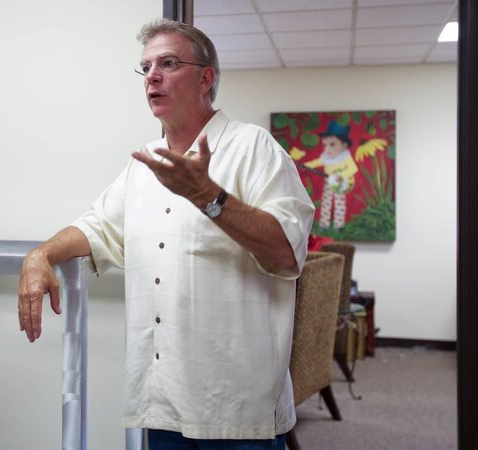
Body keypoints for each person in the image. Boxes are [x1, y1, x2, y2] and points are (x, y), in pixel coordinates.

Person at [18, 18, 314, 449]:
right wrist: (40, 255)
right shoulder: (146, 163)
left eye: (169, 63)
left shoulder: (254, 148)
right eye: (146, 67)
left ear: (206, 78)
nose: (152, 76)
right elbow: (97, 226)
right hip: (163, 400)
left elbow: (288, 252)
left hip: (235, 409)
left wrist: (210, 197)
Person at [303, 120, 358, 231]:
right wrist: (306, 165)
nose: (327, 148)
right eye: (325, 145)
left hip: (341, 184)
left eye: (332, 144)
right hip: (329, 183)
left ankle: (338, 225)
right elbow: (317, 162)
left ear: (344, 145)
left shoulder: (345, 157)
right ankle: (324, 224)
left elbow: (353, 168)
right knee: (326, 203)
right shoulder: (326, 158)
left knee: (339, 204)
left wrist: (342, 175)